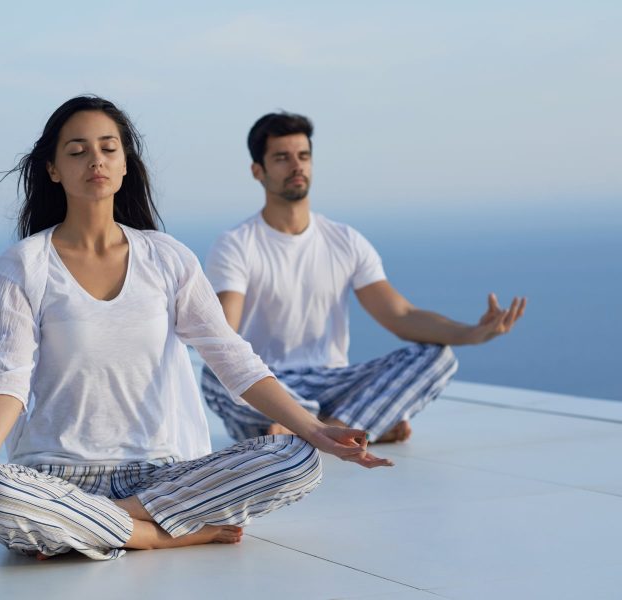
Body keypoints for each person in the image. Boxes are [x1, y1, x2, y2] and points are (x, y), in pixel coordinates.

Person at [0, 97, 393, 561]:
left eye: (109, 148)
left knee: (299, 459)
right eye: (77, 151)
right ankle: (158, 534)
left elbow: (231, 356)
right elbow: (8, 377)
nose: (95, 160)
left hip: (161, 475)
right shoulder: (24, 265)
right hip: (56, 473)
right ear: (53, 170)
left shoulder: (166, 257)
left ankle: (96, 524)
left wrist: (313, 428)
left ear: (125, 163)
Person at [201, 112, 526, 444]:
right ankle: (354, 424)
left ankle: (327, 427)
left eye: (303, 156)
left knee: (438, 357)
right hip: (269, 384)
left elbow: (401, 316)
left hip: (334, 382)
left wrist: (473, 333)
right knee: (214, 374)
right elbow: (224, 332)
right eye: (282, 158)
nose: (296, 166)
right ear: (258, 171)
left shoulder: (345, 240)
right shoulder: (236, 244)